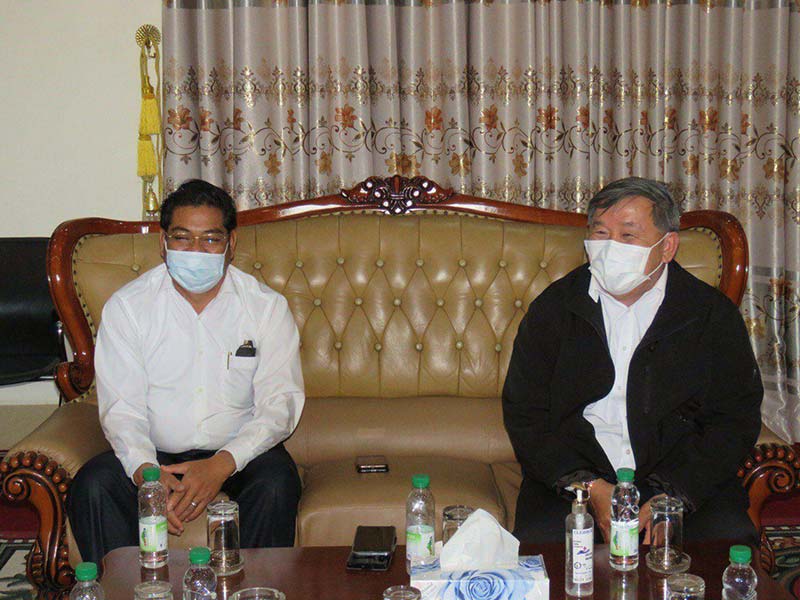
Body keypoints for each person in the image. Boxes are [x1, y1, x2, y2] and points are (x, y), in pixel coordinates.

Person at [502, 177, 762, 544]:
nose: (610, 248)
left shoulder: (709, 315)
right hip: (577, 476)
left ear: (667, 246)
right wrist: (589, 487)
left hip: (681, 475)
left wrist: (671, 495)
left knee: (726, 543)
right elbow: (525, 413)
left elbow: (734, 418)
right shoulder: (555, 308)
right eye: (601, 233)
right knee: (542, 549)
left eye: (627, 236)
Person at [68, 180, 305, 564]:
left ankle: (254, 588)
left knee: (276, 482)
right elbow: (122, 409)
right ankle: (126, 588)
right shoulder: (128, 308)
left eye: (210, 239)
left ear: (231, 244)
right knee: (93, 484)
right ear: (163, 243)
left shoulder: (265, 307)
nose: (196, 251)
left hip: (238, 452)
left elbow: (280, 405)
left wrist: (221, 464)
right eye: (182, 238)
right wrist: (147, 474)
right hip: (156, 453)